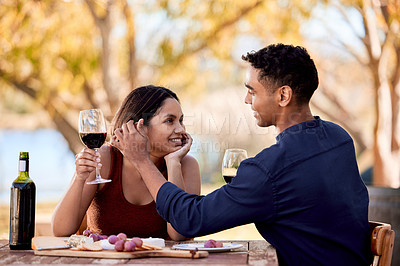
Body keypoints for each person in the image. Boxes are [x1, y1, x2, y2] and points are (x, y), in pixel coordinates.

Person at [112, 44, 371, 265]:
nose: (247, 100)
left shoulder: (268, 171)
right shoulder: (338, 138)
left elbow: (189, 219)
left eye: (252, 90)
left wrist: (142, 161)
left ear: (283, 95)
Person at [52, 85, 201, 240]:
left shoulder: (186, 166)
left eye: (181, 120)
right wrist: (79, 177)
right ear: (138, 127)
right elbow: (61, 230)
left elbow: (179, 234)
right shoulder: (104, 160)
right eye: (170, 121)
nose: (181, 129)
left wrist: (173, 164)